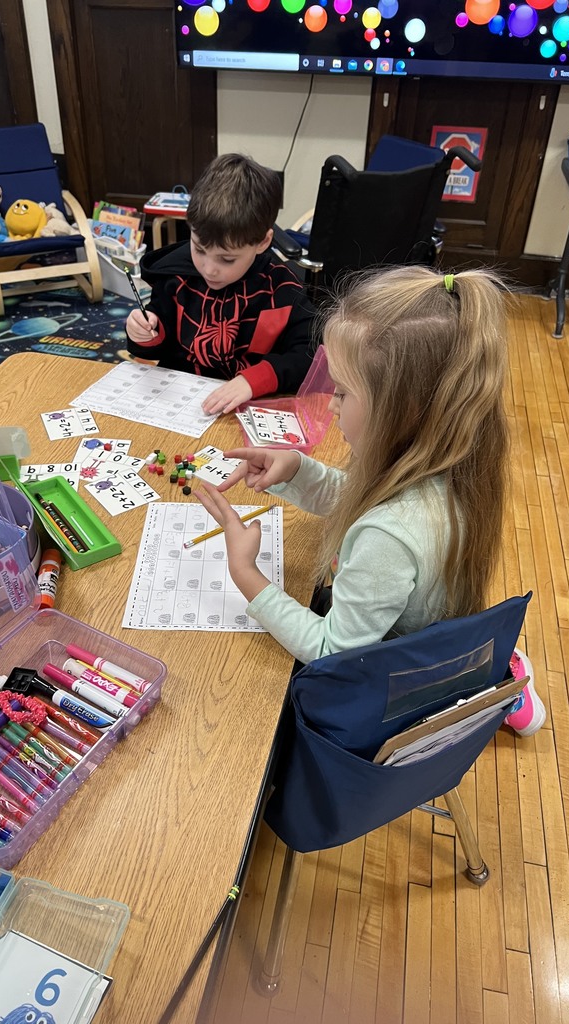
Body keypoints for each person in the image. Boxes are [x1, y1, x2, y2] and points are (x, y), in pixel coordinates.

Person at [196, 265, 546, 736]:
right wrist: (298, 469)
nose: (332, 405)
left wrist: (246, 574)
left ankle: (483, 679)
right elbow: (364, 502)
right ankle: (484, 664)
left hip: (389, 681)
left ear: (403, 409)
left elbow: (330, 650)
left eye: (341, 391)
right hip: (432, 629)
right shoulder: (447, 459)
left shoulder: (389, 538)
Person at [126, 154, 315, 416]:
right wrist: (144, 334)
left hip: (251, 408)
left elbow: (311, 355)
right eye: (199, 249)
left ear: (262, 242)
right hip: (181, 405)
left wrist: (254, 380)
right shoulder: (176, 276)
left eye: (227, 259)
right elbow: (160, 341)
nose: (209, 268)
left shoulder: (283, 289)